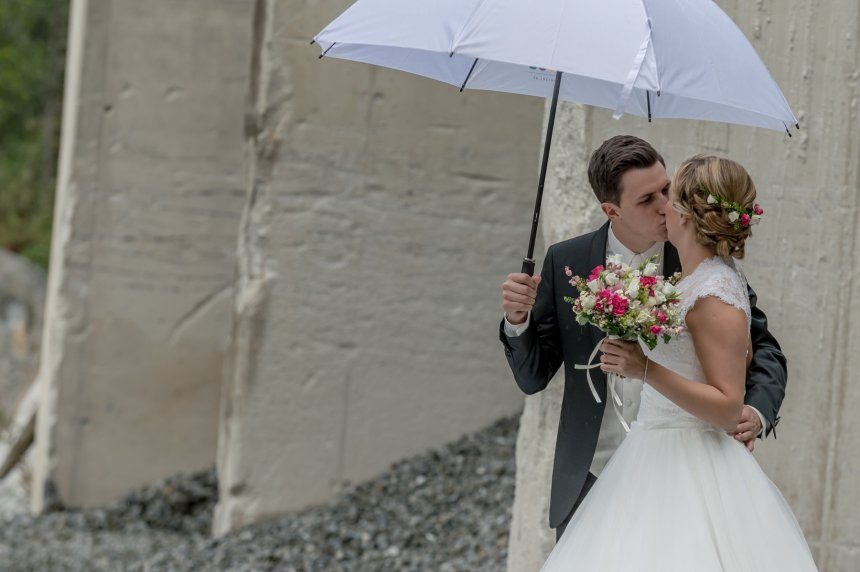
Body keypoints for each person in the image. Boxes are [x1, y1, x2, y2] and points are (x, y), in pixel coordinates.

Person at [537, 154, 817, 570]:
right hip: (631, 461)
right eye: (650, 196)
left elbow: (730, 396)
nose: (662, 204)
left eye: (668, 194)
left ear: (685, 213)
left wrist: (645, 368)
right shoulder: (691, 278)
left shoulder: (714, 288)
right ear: (611, 209)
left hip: (689, 466)